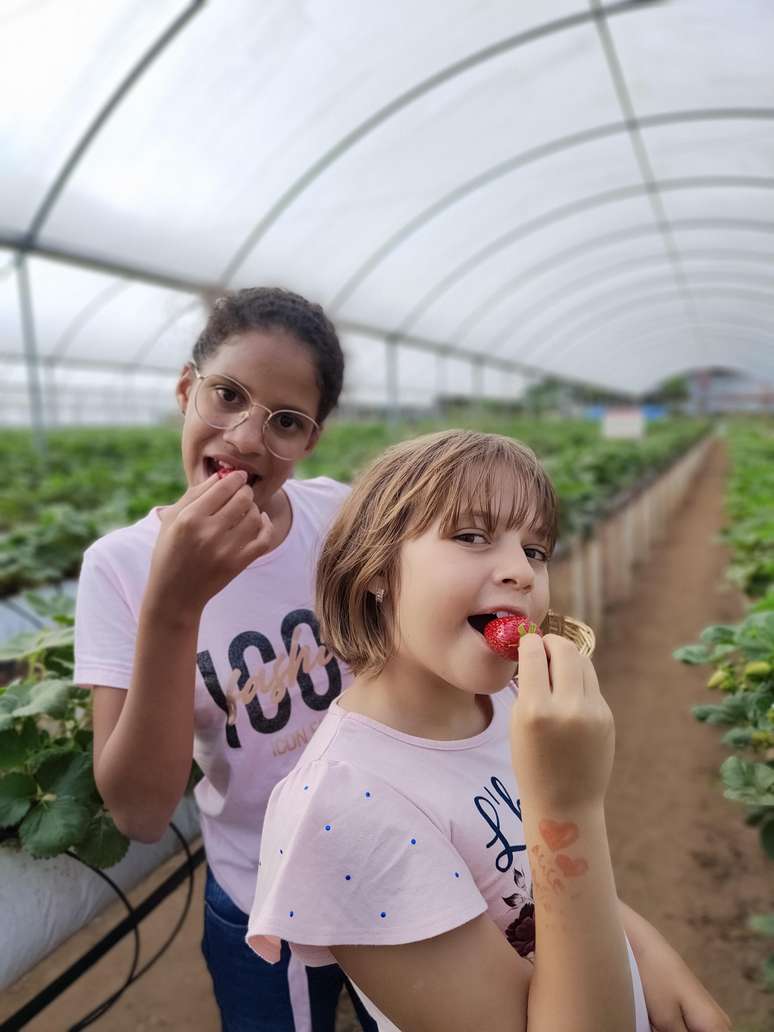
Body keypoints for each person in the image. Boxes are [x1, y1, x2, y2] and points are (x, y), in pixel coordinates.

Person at [246, 430, 733, 1032]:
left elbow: (533, 886)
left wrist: (653, 957)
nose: (521, 573)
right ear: (375, 569)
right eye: (471, 537)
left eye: (535, 549)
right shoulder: (342, 810)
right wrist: (569, 806)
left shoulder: (502, 703)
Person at [74, 287, 377, 1032]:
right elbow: (142, 813)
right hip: (258, 900)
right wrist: (173, 606)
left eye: (284, 420)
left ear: (311, 440)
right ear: (186, 389)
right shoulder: (119, 568)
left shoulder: (335, 516)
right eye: (227, 395)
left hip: (390, 866)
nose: (245, 437)